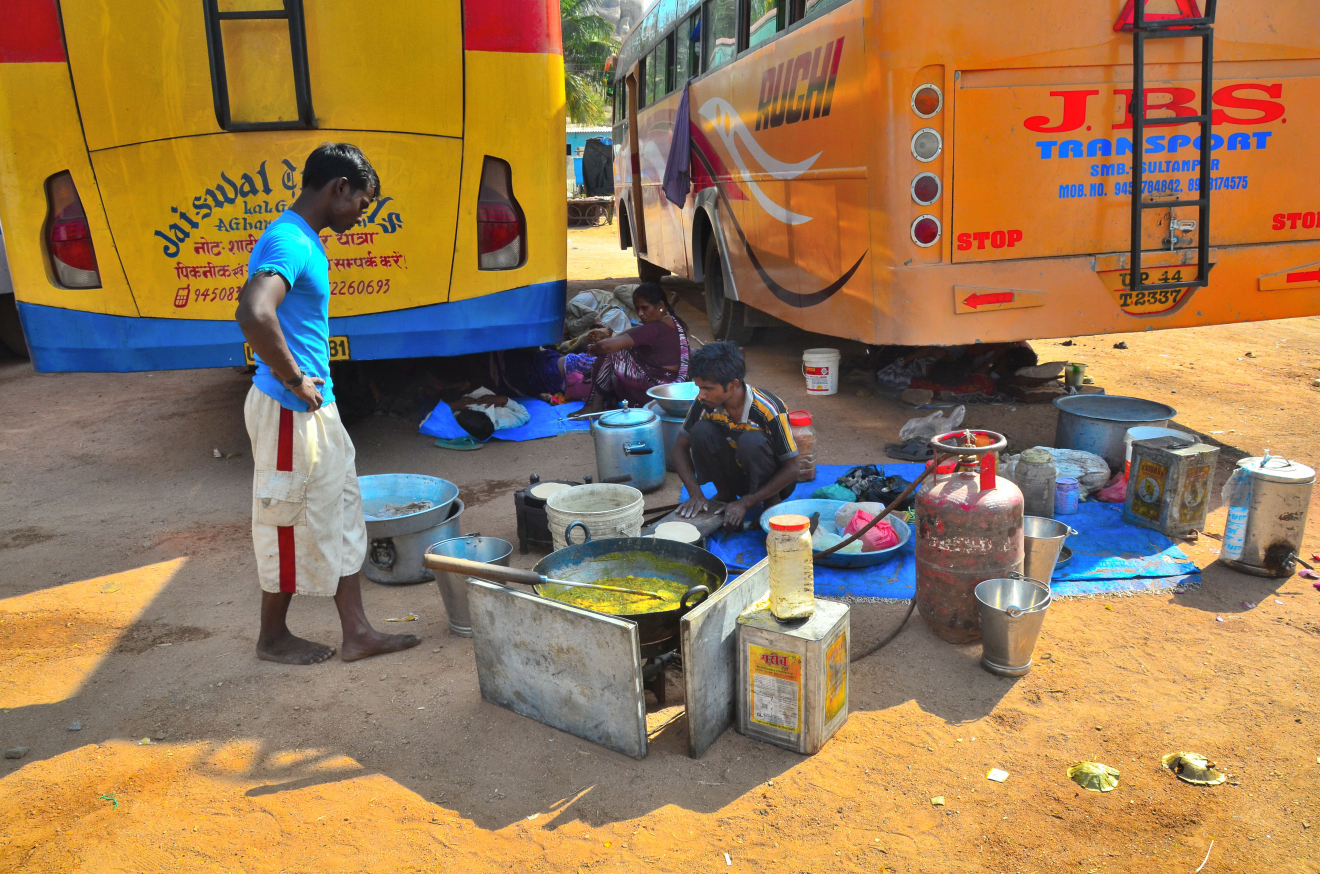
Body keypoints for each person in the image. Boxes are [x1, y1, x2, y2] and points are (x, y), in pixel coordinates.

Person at [234, 143, 421, 665]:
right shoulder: (288, 240)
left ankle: (357, 632)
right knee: (288, 521)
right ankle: (272, 638)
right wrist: (294, 380)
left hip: (318, 407)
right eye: (361, 202)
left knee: (339, 511)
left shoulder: (305, 239)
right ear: (338, 188)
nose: (361, 216)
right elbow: (253, 312)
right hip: (290, 408)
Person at [673, 341, 800, 530]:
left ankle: (770, 503)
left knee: (751, 441)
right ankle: (726, 494)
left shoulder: (769, 409)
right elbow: (679, 449)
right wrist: (695, 494)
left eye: (707, 388)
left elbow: (792, 469)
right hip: (737, 477)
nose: (701, 395)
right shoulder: (704, 404)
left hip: (775, 483)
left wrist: (746, 502)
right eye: (699, 387)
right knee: (701, 431)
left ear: (732, 385)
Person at [582, 282, 689, 411]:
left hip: (655, 388)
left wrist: (594, 349)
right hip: (671, 385)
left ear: (661, 305)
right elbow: (635, 332)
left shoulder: (654, 328)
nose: (640, 314)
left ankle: (595, 406)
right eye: (637, 309)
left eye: (644, 308)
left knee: (612, 352)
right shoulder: (671, 321)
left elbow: (605, 347)